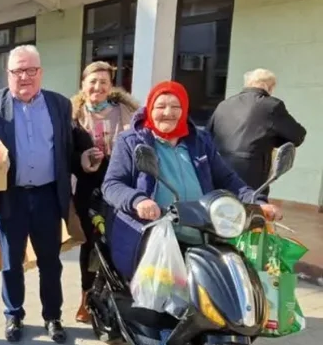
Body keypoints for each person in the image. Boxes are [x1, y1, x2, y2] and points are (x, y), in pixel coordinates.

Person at [0, 45, 100, 344]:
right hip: (10, 196)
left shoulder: (59, 105)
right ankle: (13, 314)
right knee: (10, 261)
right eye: (18, 70)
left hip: (48, 196)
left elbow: (66, 148)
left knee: (50, 261)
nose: (25, 76)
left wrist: (81, 161)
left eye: (31, 70)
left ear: (41, 73)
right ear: (8, 75)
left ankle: (52, 316)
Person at [101, 81, 281, 275]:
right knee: (155, 299)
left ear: (184, 109)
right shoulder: (131, 141)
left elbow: (228, 179)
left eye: (175, 106)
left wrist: (257, 202)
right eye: (160, 106)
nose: (168, 112)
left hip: (200, 234)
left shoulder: (200, 140)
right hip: (153, 237)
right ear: (150, 108)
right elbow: (112, 184)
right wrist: (138, 200)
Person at [70, 62, 137, 323]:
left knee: (119, 242)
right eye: (93, 81)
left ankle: (119, 296)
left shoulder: (126, 112)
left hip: (120, 187)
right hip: (88, 187)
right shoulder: (73, 114)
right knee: (90, 244)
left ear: (111, 87)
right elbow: (66, 155)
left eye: (104, 83)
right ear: (83, 84)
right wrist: (81, 159)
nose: (97, 87)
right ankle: (86, 298)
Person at [208, 68, 306, 190]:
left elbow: (209, 134)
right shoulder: (272, 105)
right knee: (252, 205)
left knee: (220, 204)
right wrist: (275, 141)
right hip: (250, 171)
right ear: (267, 86)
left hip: (219, 167)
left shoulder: (224, 104)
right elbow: (297, 136)